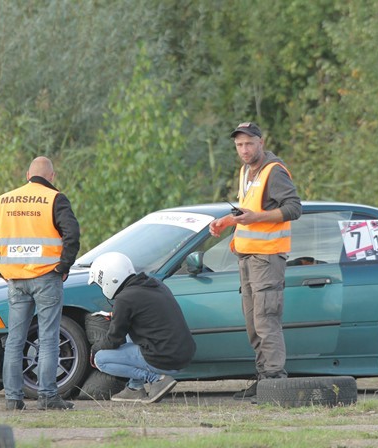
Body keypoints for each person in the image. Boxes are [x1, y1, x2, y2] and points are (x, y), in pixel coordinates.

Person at [0, 156, 80, 411]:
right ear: (51, 177)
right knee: (48, 337)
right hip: (47, 277)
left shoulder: (4, 200)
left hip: (16, 281)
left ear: (26, 175)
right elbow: (72, 233)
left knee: (14, 340)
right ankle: (47, 396)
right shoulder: (55, 199)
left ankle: (13, 399)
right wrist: (64, 266)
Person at [209, 122, 302, 400]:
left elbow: (294, 208)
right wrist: (227, 221)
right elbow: (247, 212)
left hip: (267, 257)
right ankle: (263, 380)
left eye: (249, 143)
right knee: (253, 324)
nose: (244, 149)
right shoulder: (246, 172)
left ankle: (274, 381)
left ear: (261, 142)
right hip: (247, 257)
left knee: (266, 320)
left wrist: (256, 219)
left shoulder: (274, 171)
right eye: (239, 145)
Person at [87, 252, 196, 404]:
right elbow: (146, 315)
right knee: (130, 330)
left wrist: (95, 349)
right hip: (183, 354)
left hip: (164, 360)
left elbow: (114, 340)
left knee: (101, 359)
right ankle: (134, 388)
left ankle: (157, 380)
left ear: (110, 278)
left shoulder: (125, 299)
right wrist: (116, 315)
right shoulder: (153, 284)